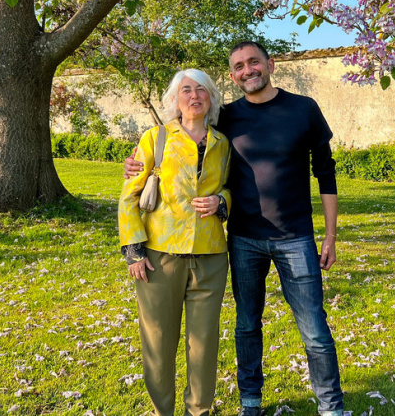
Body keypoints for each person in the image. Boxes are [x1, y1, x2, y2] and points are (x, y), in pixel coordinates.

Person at [126, 42, 344, 416]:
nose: (248, 70)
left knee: (314, 331)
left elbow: (325, 172)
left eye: (254, 62)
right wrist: (134, 168)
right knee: (244, 327)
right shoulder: (220, 119)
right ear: (232, 76)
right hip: (241, 239)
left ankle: (330, 406)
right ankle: (249, 403)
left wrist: (330, 236)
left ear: (270, 64)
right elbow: (169, 157)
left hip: (291, 238)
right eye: (239, 66)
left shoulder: (300, 110)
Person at [118, 69, 231, 416]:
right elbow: (129, 196)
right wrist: (134, 251)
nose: (194, 96)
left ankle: (199, 411)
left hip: (211, 256)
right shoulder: (156, 137)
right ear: (175, 99)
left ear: (211, 98)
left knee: (204, 343)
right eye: (186, 90)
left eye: (201, 90)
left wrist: (221, 201)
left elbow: (231, 187)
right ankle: (162, 411)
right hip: (159, 257)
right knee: (158, 341)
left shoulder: (222, 143)